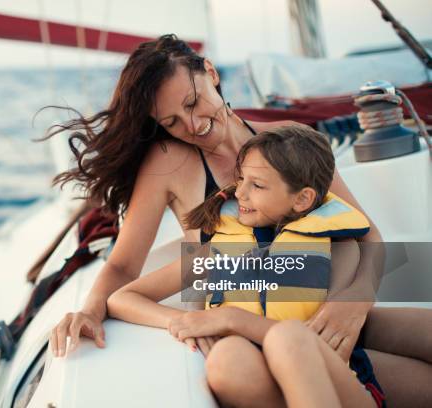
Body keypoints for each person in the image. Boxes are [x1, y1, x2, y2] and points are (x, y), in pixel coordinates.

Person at [47, 34, 432, 406]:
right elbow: (123, 266)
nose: (192, 124)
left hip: (327, 314)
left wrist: (354, 300)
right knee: (235, 370)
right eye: (172, 121)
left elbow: (368, 234)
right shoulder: (169, 164)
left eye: (193, 102)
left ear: (211, 72)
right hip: (249, 333)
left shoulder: (291, 141)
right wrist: (90, 311)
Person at [108, 126, 382, 407]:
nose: (239, 193)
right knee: (230, 356)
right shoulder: (219, 253)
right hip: (263, 376)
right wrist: (184, 322)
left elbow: (316, 345)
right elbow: (121, 299)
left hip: (341, 389)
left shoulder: (339, 249)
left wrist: (232, 319)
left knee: (287, 337)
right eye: (241, 180)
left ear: (302, 199)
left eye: (258, 185)